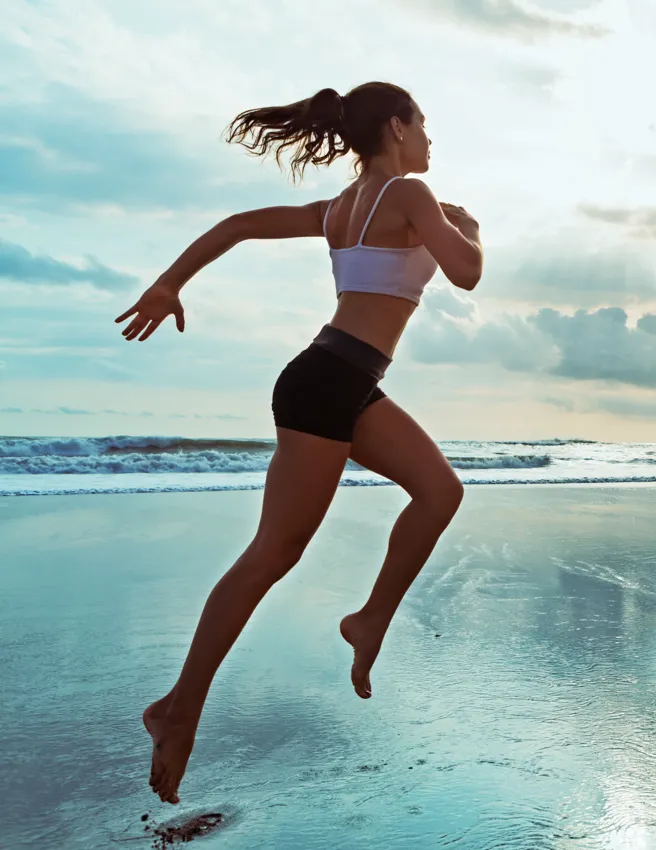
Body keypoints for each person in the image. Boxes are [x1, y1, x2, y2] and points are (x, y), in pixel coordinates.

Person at [114, 82, 483, 805]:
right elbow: (467, 272)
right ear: (397, 128)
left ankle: (368, 619)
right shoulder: (408, 194)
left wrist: (170, 281)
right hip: (326, 381)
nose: (432, 141)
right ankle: (178, 708)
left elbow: (238, 225)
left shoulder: (341, 210)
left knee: (440, 491)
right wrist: (467, 228)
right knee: (273, 553)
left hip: (344, 379)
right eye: (425, 126)